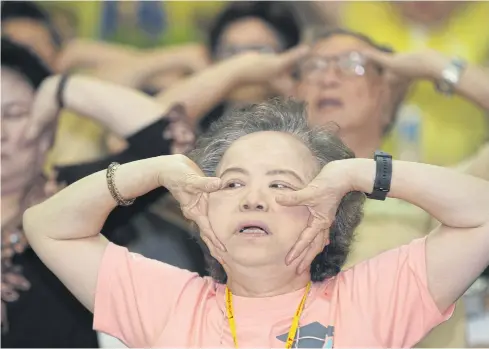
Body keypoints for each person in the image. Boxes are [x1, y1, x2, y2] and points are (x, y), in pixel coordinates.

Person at [24, 98, 489, 348]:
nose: (253, 200)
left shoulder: (374, 299)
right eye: (231, 184)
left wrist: (357, 173)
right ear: (202, 209)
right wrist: (151, 170)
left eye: (282, 186)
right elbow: (47, 225)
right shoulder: (167, 302)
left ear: (326, 215)